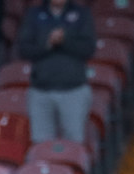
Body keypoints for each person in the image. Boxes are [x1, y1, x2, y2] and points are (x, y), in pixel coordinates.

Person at [16, 0, 96, 144]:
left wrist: (64, 40)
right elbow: (23, 49)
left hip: (73, 90)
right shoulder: (34, 14)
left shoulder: (81, 14)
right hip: (40, 91)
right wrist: (47, 44)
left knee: (73, 142)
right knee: (41, 144)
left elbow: (88, 49)